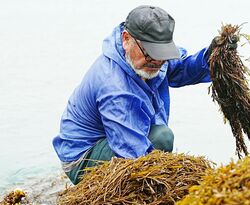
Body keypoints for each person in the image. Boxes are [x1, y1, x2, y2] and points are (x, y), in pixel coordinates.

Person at [52, 5, 236, 184]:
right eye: (149, 53)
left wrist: (212, 57)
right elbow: (133, 155)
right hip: (81, 157)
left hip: (114, 135)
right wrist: (175, 180)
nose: (156, 62)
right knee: (161, 138)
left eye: (162, 53)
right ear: (126, 39)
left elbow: (182, 68)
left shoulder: (150, 56)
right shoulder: (115, 88)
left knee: (160, 139)